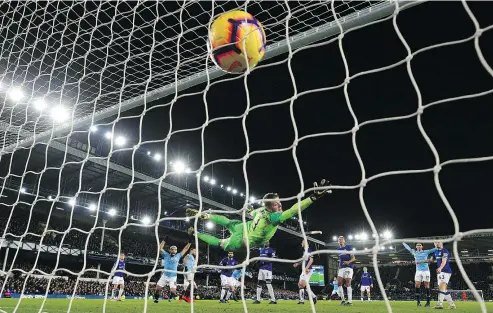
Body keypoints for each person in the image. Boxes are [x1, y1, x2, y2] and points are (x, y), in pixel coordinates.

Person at [187, 179, 331, 251]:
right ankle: (196, 233)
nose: (279, 205)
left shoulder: (261, 210)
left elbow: (252, 212)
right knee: (220, 242)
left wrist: (249, 210)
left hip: (245, 227)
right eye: (276, 204)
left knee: (229, 222)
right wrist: (313, 197)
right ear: (269, 207)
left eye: (279, 201)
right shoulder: (273, 217)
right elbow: (294, 209)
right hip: (245, 240)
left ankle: (206, 216)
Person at [153, 236, 191, 303]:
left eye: (175, 249)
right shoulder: (166, 255)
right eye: (172, 249)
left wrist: (190, 242)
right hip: (164, 276)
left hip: (173, 277)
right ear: (170, 250)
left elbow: (185, 249)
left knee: (173, 291)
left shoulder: (178, 256)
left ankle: (170, 297)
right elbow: (160, 248)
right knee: (157, 288)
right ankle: (156, 299)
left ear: (176, 251)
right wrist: (164, 240)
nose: (173, 250)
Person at [402, 242, 437, 307]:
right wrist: (403, 242)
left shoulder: (426, 252)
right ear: (416, 247)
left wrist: (436, 245)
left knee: (426, 285)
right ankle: (418, 302)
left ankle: (428, 302)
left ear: (422, 246)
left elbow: (435, 249)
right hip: (418, 271)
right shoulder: (414, 252)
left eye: (420, 245)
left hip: (426, 271)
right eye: (417, 245)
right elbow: (408, 248)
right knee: (417, 285)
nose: (418, 246)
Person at [432, 241, 456, 309]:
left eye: (438, 242)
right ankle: (452, 305)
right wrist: (421, 261)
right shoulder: (435, 252)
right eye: (435, 242)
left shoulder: (445, 251)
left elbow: (444, 261)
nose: (437, 243)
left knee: (442, 287)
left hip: (446, 271)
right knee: (444, 289)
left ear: (441, 243)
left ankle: (440, 304)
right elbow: (430, 260)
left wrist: (440, 268)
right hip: (440, 272)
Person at [293, 240, 317, 304]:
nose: (301, 243)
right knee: (300, 285)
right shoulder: (305, 251)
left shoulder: (309, 250)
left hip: (307, 270)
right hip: (304, 270)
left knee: (302, 284)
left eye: (302, 242)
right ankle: (312, 297)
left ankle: (303, 300)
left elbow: (311, 260)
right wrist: (298, 264)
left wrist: (306, 268)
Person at [337, 236, 355, 306]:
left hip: (348, 267)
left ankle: (350, 301)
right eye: (339, 240)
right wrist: (339, 268)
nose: (340, 241)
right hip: (341, 268)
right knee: (339, 283)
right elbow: (340, 260)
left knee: (348, 283)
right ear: (338, 242)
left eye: (341, 239)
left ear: (344, 241)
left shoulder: (348, 247)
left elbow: (353, 258)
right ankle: (343, 300)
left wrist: (348, 262)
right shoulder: (338, 249)